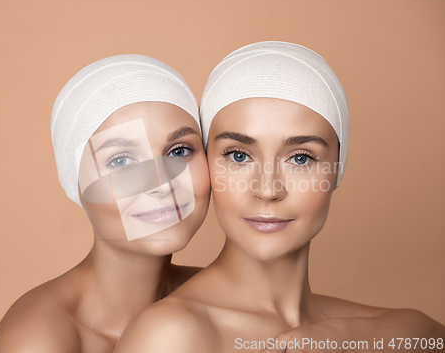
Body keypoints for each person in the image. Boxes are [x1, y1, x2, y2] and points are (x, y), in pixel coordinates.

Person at [113, 42, 445, 353]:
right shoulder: (171, 335)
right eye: (239, 156)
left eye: (300, 158)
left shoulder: (363, 330)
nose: (268, 190)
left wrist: (356, 336)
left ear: (336, 170)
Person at [0, 55, 211, 352]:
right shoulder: (38, 339)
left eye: (179, 151)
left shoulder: (224, 302)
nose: (161, 184)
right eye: (120, 161)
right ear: (75, 183)